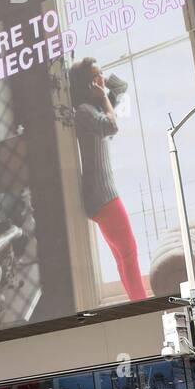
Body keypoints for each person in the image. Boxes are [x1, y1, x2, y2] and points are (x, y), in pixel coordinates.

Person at [69, 57, 146, 300]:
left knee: (123, 256)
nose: (102, 78)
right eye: (96, 76)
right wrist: (102, 97)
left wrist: (102, 81)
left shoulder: (95, 108)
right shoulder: (85, 111)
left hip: (102, 195)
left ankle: (136, 302)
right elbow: (112, 127)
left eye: (101, 74)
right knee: (129, 253)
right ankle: (142, 304)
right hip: (103, 196)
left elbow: (121, 87)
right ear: (87, 85)